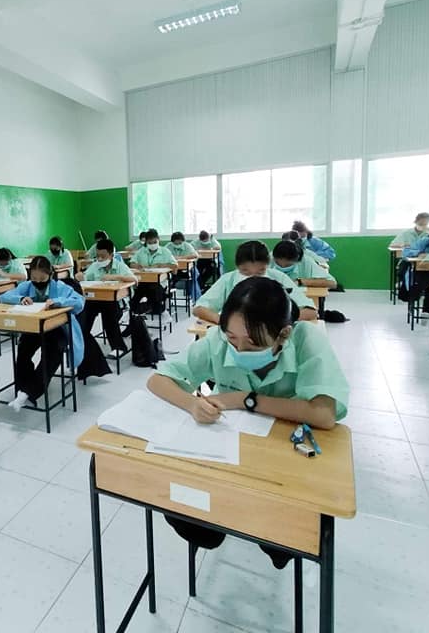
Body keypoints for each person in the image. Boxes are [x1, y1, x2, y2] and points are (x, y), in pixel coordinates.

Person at [148, 276, 348, 569]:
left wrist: (246, 399)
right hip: (228, 448)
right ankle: (220, 524)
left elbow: (323, 414)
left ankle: (271, 540)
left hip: (282, 458)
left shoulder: (306, 339)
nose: (239, 350)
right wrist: (192, 404)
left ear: (283, 334)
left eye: (253, 344)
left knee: (288, 535)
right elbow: (158, 380)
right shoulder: (218, 340)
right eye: (232, 339)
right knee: (188, 509)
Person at [0, 257, 84, 411]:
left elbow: (79, 302)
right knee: (23, 352)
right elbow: (4, 297)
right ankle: (23, 388)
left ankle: (30, 393)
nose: (38, 282)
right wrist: (21, 298)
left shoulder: (60, 286)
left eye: (42, 279)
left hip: (58, 329)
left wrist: (59, 301)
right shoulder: (26, 286)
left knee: (51, 355)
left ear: (50, 275)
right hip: (35, 328)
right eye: (34, 279)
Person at [193, 241, 318, 323]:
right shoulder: (228, 280)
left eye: (260, 272)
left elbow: (310, 311)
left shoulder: (278, 278)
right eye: (245, 272)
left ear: (267, 265)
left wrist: (280, 321)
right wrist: (224, 321)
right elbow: (199, 308)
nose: (253, 278)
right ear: (237, 267)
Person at [77, 239, 137, 352]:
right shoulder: (95, 265)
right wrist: (80, 276)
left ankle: (118, 347)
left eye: (103, 256)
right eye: (97, 256)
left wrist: (116, 277)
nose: (100, 259)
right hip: (96, 300)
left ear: (111, 255)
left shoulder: (120, 266)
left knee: (109, 315)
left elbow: (134, 280)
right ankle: (83, 344)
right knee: (84, 313)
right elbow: (85, 277)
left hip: (115, 302)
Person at [129, 228, 177, 317]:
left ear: (158, 240)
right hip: (143, 282)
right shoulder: (141, 251)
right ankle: (141, 310)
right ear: (146, 242)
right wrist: (138, 266)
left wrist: (161, 265)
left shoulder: (165, 251)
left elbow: (174, 266)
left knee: (153, 290)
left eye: (154, 242)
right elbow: (132, 263)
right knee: (134, 299)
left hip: (160, 284)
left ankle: (153, 308)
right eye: (150, 243)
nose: (152, 245)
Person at [272, 240, 336, 290]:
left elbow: (332, 283)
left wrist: (300, 282)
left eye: (287, 265)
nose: (283, 267)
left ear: (297, 260)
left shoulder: (305, 261)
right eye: (278, 264)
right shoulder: (269, 259)